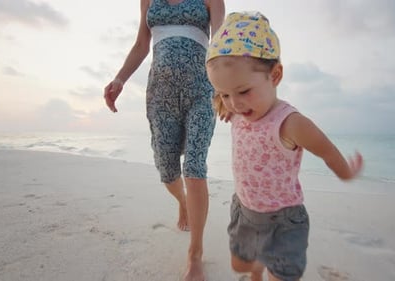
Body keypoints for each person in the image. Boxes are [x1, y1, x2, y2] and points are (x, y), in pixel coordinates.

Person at [205, 12, 364, 281]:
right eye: (224, 93)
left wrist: (346, 172)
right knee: (240, 266)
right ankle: (256, 266)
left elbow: (326, 150)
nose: (235, 104)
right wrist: (223, 99)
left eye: (242, 91)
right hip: (244, 211)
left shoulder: (290, 124)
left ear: (275, 75)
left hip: (283, 222)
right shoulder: (238, 108)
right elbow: (230, 97)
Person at [103, 0, 225, 280]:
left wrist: (227, 91)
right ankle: (183, 201)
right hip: (160, 94)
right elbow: (141, 45)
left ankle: (195, 255)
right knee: (167, 169)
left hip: (202, 92)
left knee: (195, 166)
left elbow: (220, 43)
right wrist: (120, 79)